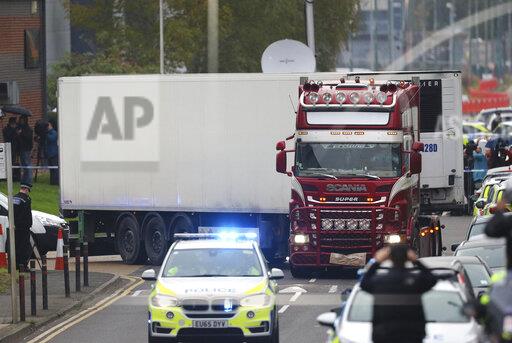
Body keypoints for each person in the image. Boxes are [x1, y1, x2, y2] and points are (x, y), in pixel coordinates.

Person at [360, 245, 437, 343]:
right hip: (412, 335)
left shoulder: (380, 281)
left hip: (384, 334)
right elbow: (432, 279)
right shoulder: (415, 281)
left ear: (389, 258)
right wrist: (416, 261)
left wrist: (377, 262)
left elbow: (363, 283)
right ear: (408, 258)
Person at [13, 183, 33, 270]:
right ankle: (23, 266)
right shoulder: (26, 199)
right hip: (24, 228)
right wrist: (29, 224)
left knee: (16, 246)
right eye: (28, 191)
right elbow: (27, 214)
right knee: (24, 247)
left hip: (15, 226)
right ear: (26, 189)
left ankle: (16, 265)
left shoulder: (14, 198)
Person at [15, 115, 33, 185]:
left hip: (26, 148)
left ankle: (28, 180)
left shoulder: (27, 128)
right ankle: (25, 180)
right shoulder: (21, 128)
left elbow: (28, 138)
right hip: (22, 148)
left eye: (22, 120)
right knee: (24, 165)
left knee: (27, 164)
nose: (21, 121)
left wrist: (20, 133)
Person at [3, 117, 20, 181]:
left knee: (13, 162)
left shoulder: (15, 129)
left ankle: (12, 175)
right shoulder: (6, 129)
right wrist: (14, 130)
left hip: (14, 148)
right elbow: (7, 137)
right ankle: (7, 176)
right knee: (8, 162)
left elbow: (16, 139)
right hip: (8, 148)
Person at [46, 120, 59, 185]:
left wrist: (46, 134)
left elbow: (52, 139)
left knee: (55, 168)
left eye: (48, 125)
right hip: (49, 153)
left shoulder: (54, 132)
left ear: (51, 126)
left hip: (54, 153)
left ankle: (56, 181)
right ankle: (52, 181)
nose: (47, 127)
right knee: (51, 169)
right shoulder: (47, 133)